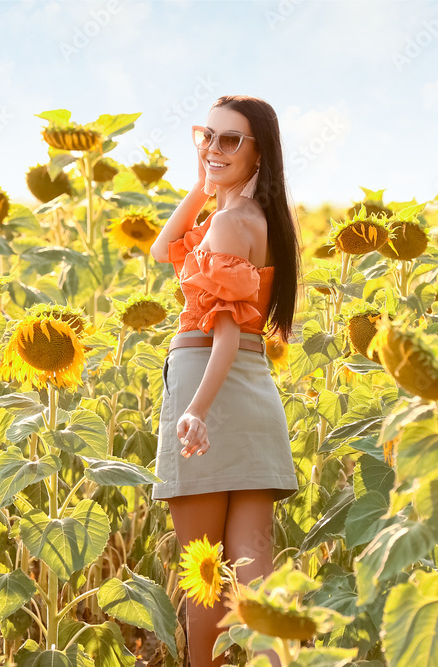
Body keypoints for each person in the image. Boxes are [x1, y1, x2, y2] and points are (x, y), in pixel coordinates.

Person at [149, 95, 302, 667]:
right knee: (253, 578)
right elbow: (164, 249)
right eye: (206, 136)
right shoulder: (255, 221)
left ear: (260, 153)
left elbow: (226, 333)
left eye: (230, 140)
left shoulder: (231, 226)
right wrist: (202, 187)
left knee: (204, 579)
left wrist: (196, 409)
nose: (213, 148)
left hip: (208, 391)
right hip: (255, 393)